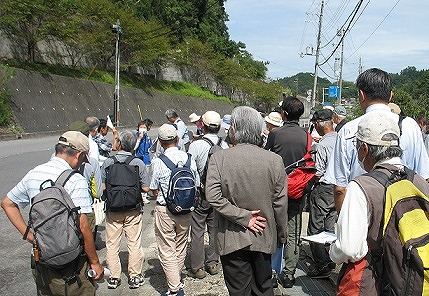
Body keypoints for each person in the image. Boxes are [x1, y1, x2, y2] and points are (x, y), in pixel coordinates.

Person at [329, 112, 429, 295]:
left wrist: (333, 251)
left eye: (357, 146)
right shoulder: (419, 181)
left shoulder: (361, 187)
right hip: (410, 280)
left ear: (365, 149)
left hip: (371, 281)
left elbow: (349, 248)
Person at [1, 131, 104, 295]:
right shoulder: (76, 180)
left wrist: (30, 236)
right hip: (72, 261)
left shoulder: (34, 173)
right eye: (83, 159)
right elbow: (84, 226)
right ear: (78, 155)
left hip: (42, 257)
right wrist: (95, 262)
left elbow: (7, 203)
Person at [205, 106, 288, 296]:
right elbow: (280, 204)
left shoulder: (219, 159)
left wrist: (242, 217)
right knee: (263, 287)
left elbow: (213, 197)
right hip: (264, 234)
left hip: (231, 236)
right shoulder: (274, 160)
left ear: (233, 129)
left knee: (238, 290)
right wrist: (281, 235)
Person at [324, 68, 429, 213]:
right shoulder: (410, 126)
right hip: (403, 217)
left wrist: (346, 224)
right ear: (391, 95)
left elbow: (340, 189)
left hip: (363, 215)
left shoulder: (348, 130)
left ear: (361, 95)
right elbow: (424, 177)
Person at [150, 124, 199, 296]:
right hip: (186, 208)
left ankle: (174, 288)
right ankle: (177, 278)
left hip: (165, 209)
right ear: (178, 139)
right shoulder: (189, 159)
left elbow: (154, 188)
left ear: (161, 143)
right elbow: (197, 184)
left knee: (166, 248)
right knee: (180, 245)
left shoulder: (158, 162)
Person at [264, 96, 308, 288]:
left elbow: (266, 159)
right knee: (292, 232)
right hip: (297, 190)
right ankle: (289, 274)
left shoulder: (276, 135)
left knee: (272, 230)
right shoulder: (306, 136)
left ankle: (272, 272)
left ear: (284, 113)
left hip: (276, 190)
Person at [101, 130, 150, 289]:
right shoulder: (138, 163)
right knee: (134, 242)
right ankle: (135, 276)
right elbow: (146, 188)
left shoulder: (108, 162)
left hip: (113, 209)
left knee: (112, 244)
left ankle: (114, 277)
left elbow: (102, 187)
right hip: (133, 209)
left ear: (120, 143)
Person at [187, 111, 228, 279]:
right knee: (214, 229)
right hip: (218, 195)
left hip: (200, 195)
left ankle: (197, 268)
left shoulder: (195, 145)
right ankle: (212, 263)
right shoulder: (224, 146)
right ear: (219, 128)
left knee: (197, 231)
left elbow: (190, 170)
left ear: (202, 125)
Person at [306, 109, 337, 278]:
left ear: (318, 124)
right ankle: (331, 259)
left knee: (315, 228)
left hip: (324, 188)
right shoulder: (341, 140)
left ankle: (321, 265)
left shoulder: (323, 145)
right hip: (339, 189)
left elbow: (318, 172)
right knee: (330, 226)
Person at [135, 119, 154, 204]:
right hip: (138, 159)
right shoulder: (136, 136)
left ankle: (144, 196)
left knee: (145, 177)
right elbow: (134, 147)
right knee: (138, 177)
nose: (142, 129)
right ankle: (138, 194)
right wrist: (139, 138)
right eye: (141, 127)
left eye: (144, 127)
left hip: (146, 160)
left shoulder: (148, 138)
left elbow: (152, 148)